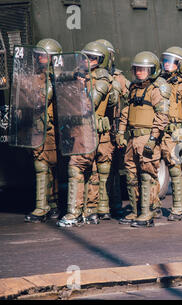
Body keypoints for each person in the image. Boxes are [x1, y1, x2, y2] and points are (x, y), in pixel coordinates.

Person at [57, 41, 119, 227]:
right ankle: (90, 211)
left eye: (93, 57)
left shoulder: (101, 79)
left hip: (88, 128)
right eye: (86, 57)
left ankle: (74, 213)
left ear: (102, 60)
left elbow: (88, 103)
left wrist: (78, 85)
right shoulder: (81, 76)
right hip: (78, 128)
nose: (88, 60)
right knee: (90, 170)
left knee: (76, 168)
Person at [115, 51, 172, 227]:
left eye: (143, 69)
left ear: (152, 71)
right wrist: (120, 132)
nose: (139, 72)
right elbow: (126, 112)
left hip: (147, 138)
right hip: (132, 139)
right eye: (137, 69)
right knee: (131, 176)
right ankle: (135, 210)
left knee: (147, 175)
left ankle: (147, 214)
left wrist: (153, 139)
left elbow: (162, 117)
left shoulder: (155, 91)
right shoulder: (133, 89)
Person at [24, 39, 62, 223]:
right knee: (40, 167)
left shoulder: (60, 78)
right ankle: (42, 206)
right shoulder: (32, 78)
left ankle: (52, 204)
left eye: (44, 56)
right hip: (36, 128)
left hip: (53, 130)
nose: (41, 60)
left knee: (51, 167)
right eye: (39, 56)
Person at [158, 46, 182, 221]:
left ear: (181, 65)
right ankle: (153, 206)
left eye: (172, 61)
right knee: (151, 169)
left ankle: (178, 208)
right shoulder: (160, 81)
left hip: (174, 133)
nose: (167, 65)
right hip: (158, 129)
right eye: (166, 60)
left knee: (175, 171)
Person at [95, 39, 131, 218]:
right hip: (97, 128)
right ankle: (97, 205)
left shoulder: (119, 77)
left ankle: (114, 204)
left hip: (114, 128)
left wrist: (123, 124)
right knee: (98, 169)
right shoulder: (91, 75)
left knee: (113, 169)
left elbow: (132, 98)